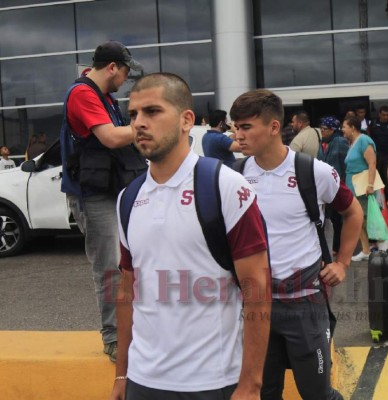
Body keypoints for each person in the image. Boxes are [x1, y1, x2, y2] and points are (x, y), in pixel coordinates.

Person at [109, 73, 271, 400]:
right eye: (133, 115)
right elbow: (127, 291)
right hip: (143, 381)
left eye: (152, 112)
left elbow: (258, 290)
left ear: (186, 120)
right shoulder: (128, 197)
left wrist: (251, 385)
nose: (139, 123)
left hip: (212, 383)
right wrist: (122, 374)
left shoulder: (224, 186)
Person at [230, 89, 363, 400]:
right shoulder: (233, 176)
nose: (238, 135)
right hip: (253, 306)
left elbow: (352, 211)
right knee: (265, 393)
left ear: (274, 127)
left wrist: (342, 263)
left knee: (317, 394)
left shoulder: (313, 171)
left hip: (304, 303)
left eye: (246, 127)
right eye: (235, 126)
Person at [59, 40, 143, 362]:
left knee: (128, 262)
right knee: (109, 266)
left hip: (110, 190)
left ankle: (131, 328)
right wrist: (147, 125)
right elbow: (110, 137)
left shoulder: (103, 96)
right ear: (112, 68)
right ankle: (112, 337)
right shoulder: (83, 93)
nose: (125, 79)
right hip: (92, 196)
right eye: (124, 73)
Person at [342, 116, 386, 261]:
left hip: (364, 188)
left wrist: (371, 185)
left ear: (353, 127)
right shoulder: (352, 143)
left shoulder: (364, 140)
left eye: (344, 127)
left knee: (370, 218)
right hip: (354, 187)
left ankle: (382, 247)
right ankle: (366, 250)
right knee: (359, 220)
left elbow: (372, 163)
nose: (342, 130)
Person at [318, 116, 350, 255]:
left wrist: (341, 181)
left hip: (338, 184)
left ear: (332, 130)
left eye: (324, 129)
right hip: (325, 184)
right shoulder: (324, 142)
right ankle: (332, 244)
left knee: (337, 218)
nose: (322, 131)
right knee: (329, 217)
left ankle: (337, 246)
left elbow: (345, 163)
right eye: (321, 129)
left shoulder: (340, 142)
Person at [369, 106, 388, 200]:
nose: (385, 117)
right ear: (379, 114)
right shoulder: (373, 124)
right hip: (377, 155)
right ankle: (377, 198)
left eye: (387, 115)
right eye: (384, 115)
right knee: (377, 176)